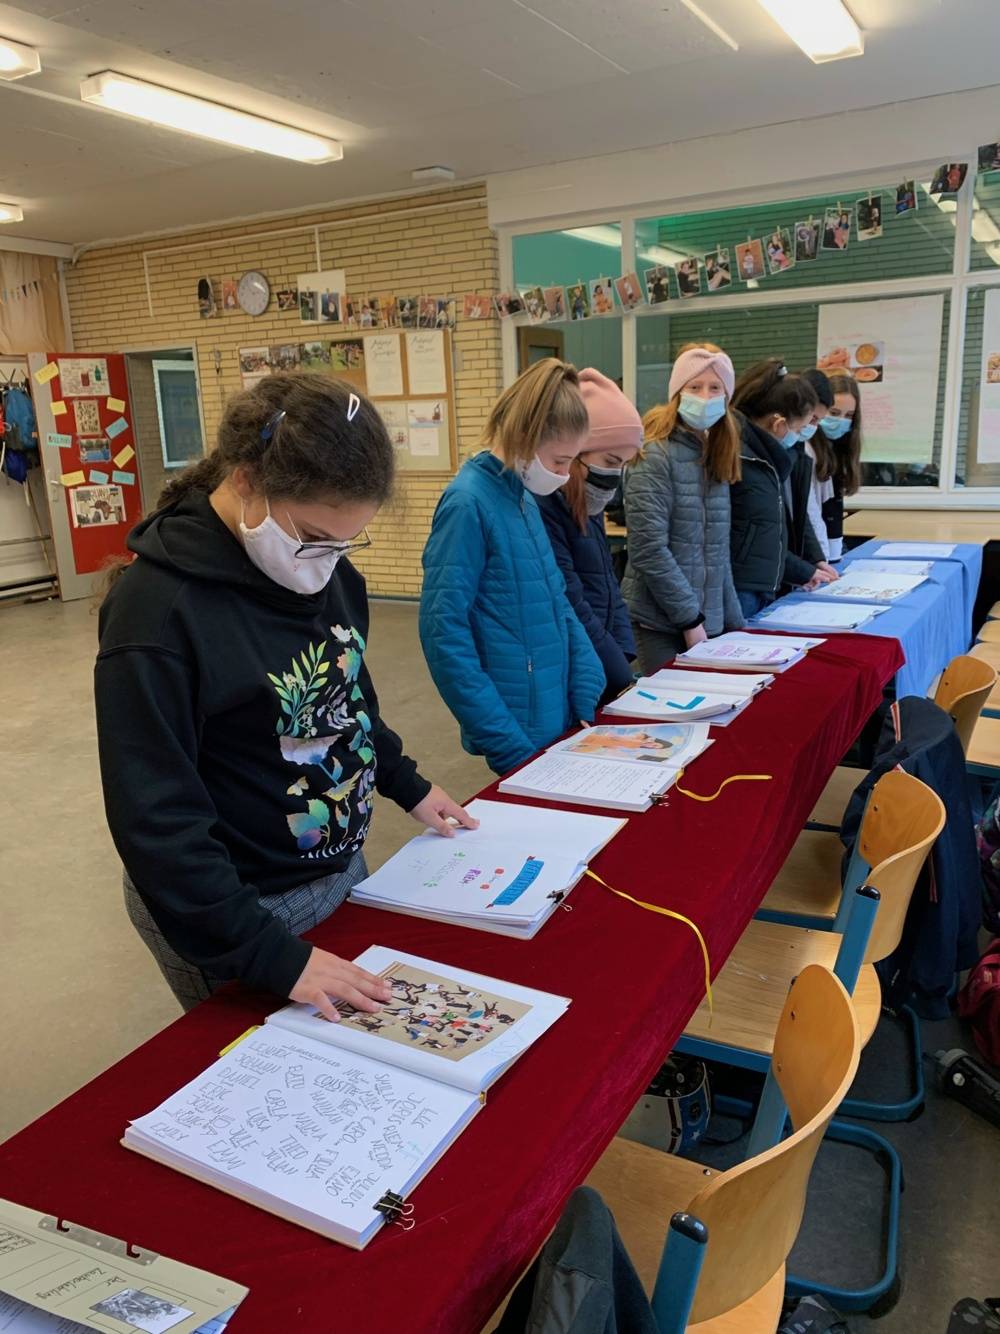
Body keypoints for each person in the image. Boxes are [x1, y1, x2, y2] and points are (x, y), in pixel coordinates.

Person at [95, 375, 474, 1020]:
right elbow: (156, 817)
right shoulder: (157, 614)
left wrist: (406, 782)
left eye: (346, 542)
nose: (328, 562)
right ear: (246, 481)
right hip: (236, 908)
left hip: (333, 867)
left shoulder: (324, 571)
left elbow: (347, 699)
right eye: (316, 538)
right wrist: (270, 955)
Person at [420, 359, 605, 775]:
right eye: (558, 461)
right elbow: (444, 634)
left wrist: (584, 686)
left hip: (555, 717)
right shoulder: (467, 504)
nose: (564, 476)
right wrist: (504, 742)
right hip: (517, 728)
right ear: (524, 437)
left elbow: (557, 602)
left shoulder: (523, 497)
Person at [621, 343, 744, 675]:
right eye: (695, 387)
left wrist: (737, 625)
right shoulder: (654, 454)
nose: (705, 396)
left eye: (715, 388)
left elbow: (717, 554)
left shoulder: (716, 454)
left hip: (706, 622)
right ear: (677, 392)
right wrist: (690, 619)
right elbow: (649, 549)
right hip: (660, 623)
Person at [535, 368, 642, 702]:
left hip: (604, 663)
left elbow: (609, 585)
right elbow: (573, 600)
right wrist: (617, 672)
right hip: (581, 669)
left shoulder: (589, 502)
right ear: (578, 451)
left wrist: (624, 652)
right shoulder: (546, 506)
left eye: (623, 464)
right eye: (610, 460)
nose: (614, 475)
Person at [730, 360, 837, 603]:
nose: (803, 434)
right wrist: (803, 570)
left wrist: (814, 559)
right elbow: (761, 538)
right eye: (800, 428)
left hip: (766, 579)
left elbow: (793, 516)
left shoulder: (777, 455)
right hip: (746, 586)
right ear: (778, 424)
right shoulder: (744, 459)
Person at [810, 368, 863, 562]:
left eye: (849, 415)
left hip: (830, 548)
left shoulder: (840, 448)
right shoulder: (807, 450)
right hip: (815, 551)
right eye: (834, 413)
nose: (841, 421)